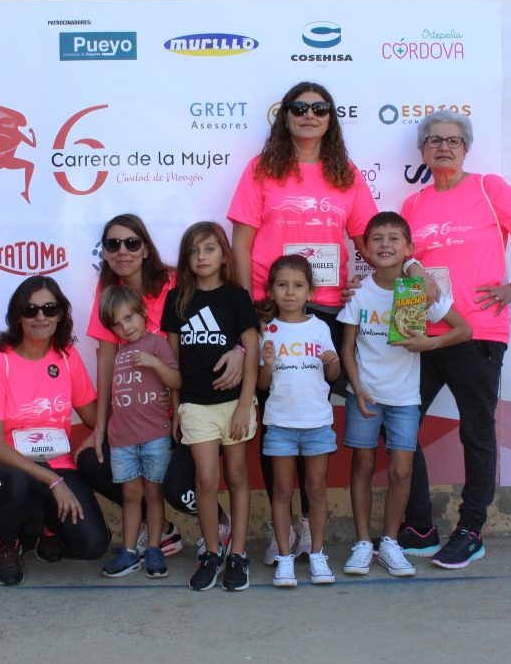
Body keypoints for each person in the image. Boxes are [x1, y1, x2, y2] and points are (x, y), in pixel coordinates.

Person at [228, 81, 392, 563]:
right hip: (268, 305)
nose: (309, 115)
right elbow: (240, 242)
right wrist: (248, 305)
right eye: (299, 108)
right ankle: (283, 532)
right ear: (286, 116)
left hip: (324, 309)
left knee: (311, 409)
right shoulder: (260, 170)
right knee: (276, 414)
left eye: (319, 109)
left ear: (330, 118)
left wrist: (388, 277)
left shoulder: (345, 173)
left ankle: (304, 526)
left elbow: (367, 239)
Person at [397, 110, 511, 569]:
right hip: (428, 335)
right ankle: (420, 525)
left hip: (480, 332)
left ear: (466, 147)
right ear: (422, 151)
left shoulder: (489, 189)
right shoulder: (414, 205)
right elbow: (409, 265)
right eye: (433, 141)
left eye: (452, 140)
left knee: (476, 431)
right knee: (402, 424)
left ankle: (471, 530)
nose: (443, 147)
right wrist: (408, 317)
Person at [76, 214, 241, 557]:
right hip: (140, 418)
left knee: (176, 486)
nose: (123, 251)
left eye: (131, 243)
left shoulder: (174, 280)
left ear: (146, 248)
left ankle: (221, 525)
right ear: (104, 252)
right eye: (113, 244)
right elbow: (106, 360)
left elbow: (225, 311)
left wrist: (240, 350)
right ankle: (162, 530)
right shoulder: (108, 292)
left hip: (191, 407)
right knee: (93, 460)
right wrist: (101, 428)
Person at [0, 276, 109, 586]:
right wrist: (52, 480)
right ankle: (7, 545)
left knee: (92, 546)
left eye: (49, 309)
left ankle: (48, 530)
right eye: (31, 309)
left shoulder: (67, 357)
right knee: (20, 480)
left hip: (56, 465)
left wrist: (139, 395)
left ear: (60, 314)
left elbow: (93, 416)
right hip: (4, 470)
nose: (40, 317)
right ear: (17, 316)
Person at [338, 213, 471, 578]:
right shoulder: (359, 291)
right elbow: (347, 348)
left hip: (404, 399)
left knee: (402, 469)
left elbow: (463, 329)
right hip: (363, 394)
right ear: (364, 249)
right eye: (376, 239)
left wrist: (431, 342)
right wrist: (357, 387)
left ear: (409, 249)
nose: (384, 245)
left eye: (393, 239)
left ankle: (390, 543)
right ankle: (363, 542)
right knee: (363, 466)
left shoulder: (418, 292)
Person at [161, 222, 259, 592]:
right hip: (195, 405)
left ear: (223, 255)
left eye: (209, 249)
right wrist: (176, 407)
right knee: (205, 479)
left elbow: (250, 353)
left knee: (236, 477)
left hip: (234, 404)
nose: (201, 257)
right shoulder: (177, 300)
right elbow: (172, 361)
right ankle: (212, 553)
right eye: (194, 251)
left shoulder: (236, 297)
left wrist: (244, 406)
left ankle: (237, 553)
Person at [257, 255, 340, 588]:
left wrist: (332, 362)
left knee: (316, 490)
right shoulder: (268, 330)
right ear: (271, 291)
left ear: (310, 292)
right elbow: (264, 386)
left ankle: (318, 555)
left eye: (297, 286)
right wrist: (265, 362)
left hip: (317, 422)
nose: (289, 292)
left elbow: (332, 375)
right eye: (282, 285)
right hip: (279, 423)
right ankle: (284, 557)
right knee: (282, 491)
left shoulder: (320, 328)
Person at [96, 285, 182, 579]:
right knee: (131, 495)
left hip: (155, 435)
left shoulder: (157, 344)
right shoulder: (118, 354)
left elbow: (176, 379)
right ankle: (130, 550)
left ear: (143, 313)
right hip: (123, 439)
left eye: (129, 318)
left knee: (153, 494)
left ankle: (155, 548)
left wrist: (155, 363)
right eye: (117, 324)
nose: (125, 327)